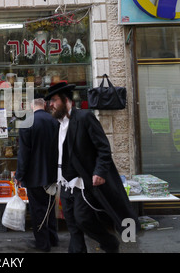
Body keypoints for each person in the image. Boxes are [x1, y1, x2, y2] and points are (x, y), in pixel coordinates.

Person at [45, 81, 139, 253]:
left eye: (54, 100)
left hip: (82, 183)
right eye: (50, 101)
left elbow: (103, 147)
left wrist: (100, 171)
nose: (50, 104)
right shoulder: (58, 125)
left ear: (66, 101)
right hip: (65, 184)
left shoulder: (84, 117)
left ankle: (109, 242)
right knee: (73, 225)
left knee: (83, 219)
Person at [15, 96, 59, 252]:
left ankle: (42, 243)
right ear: (45, 105)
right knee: (50, 207)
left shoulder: (27, 122)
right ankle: (53, 239)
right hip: (53, 173)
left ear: (31, 107)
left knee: (37, 210)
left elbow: (24, 154)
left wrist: (19, 175)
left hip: (34, 175)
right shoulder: (55, 121)